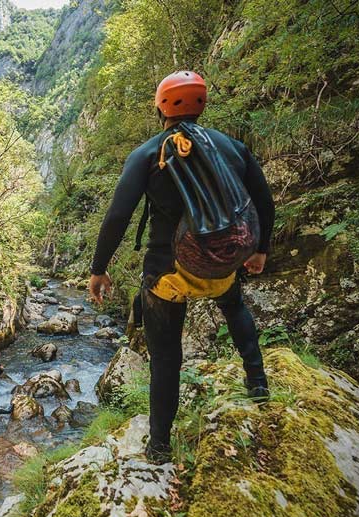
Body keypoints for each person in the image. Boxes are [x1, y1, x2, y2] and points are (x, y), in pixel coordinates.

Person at [88, 71, 275, 464]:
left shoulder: (146, 155)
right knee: (235, 307)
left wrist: (99, 268)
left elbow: (118, 216)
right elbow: (263, 202)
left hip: (168, 275)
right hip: (221, 265)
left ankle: (158, 446)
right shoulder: (232, 148)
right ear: (202, 104)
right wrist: (260, 250)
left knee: (167, 356)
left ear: (161, 107)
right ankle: (257, 383)